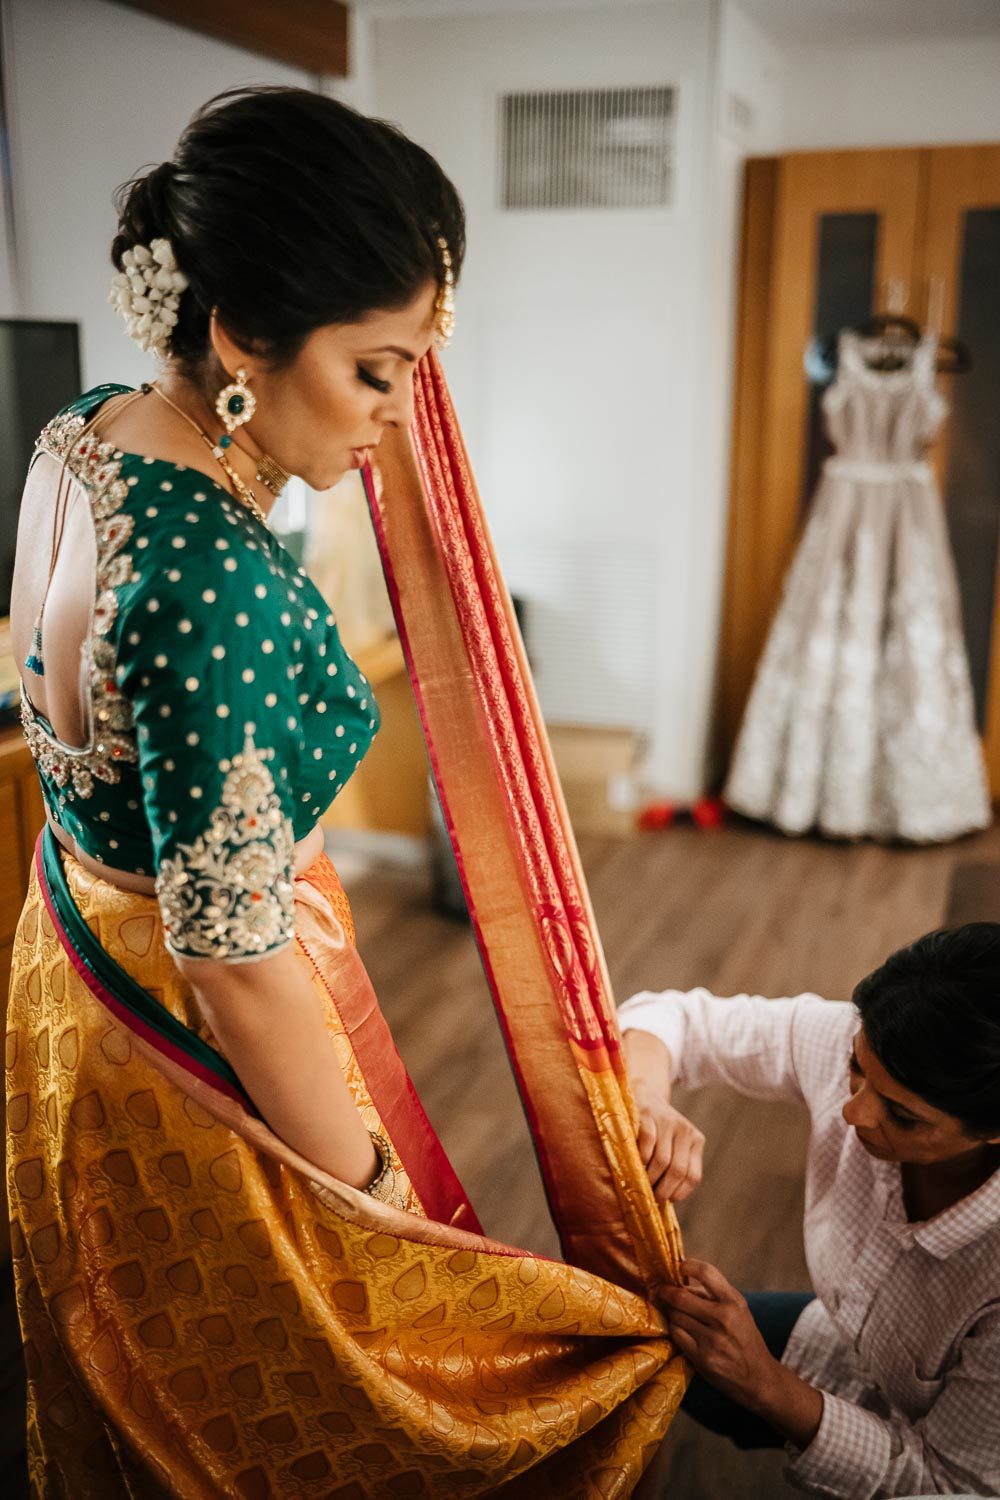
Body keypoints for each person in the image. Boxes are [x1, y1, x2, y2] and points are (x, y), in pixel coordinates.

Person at [6, 87, 684, 1498]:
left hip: (71, 962)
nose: (401, 413)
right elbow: (235, 955)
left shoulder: (84, 429)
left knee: (121, 1365)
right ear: (245, 336)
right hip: (197, 1038)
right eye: (376, 371)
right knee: (317, 1407)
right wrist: (373, 1211)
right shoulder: (219, 587)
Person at [619, 923, 1000, 1498]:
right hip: (857, 1354)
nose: (852, 1113)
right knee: (653, 1342)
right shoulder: (873, 1047)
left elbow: (949, 1484)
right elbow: (666, 1017)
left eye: (903, 1117)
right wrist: (645, 1097)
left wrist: (764, 1383)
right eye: (855, 1066)